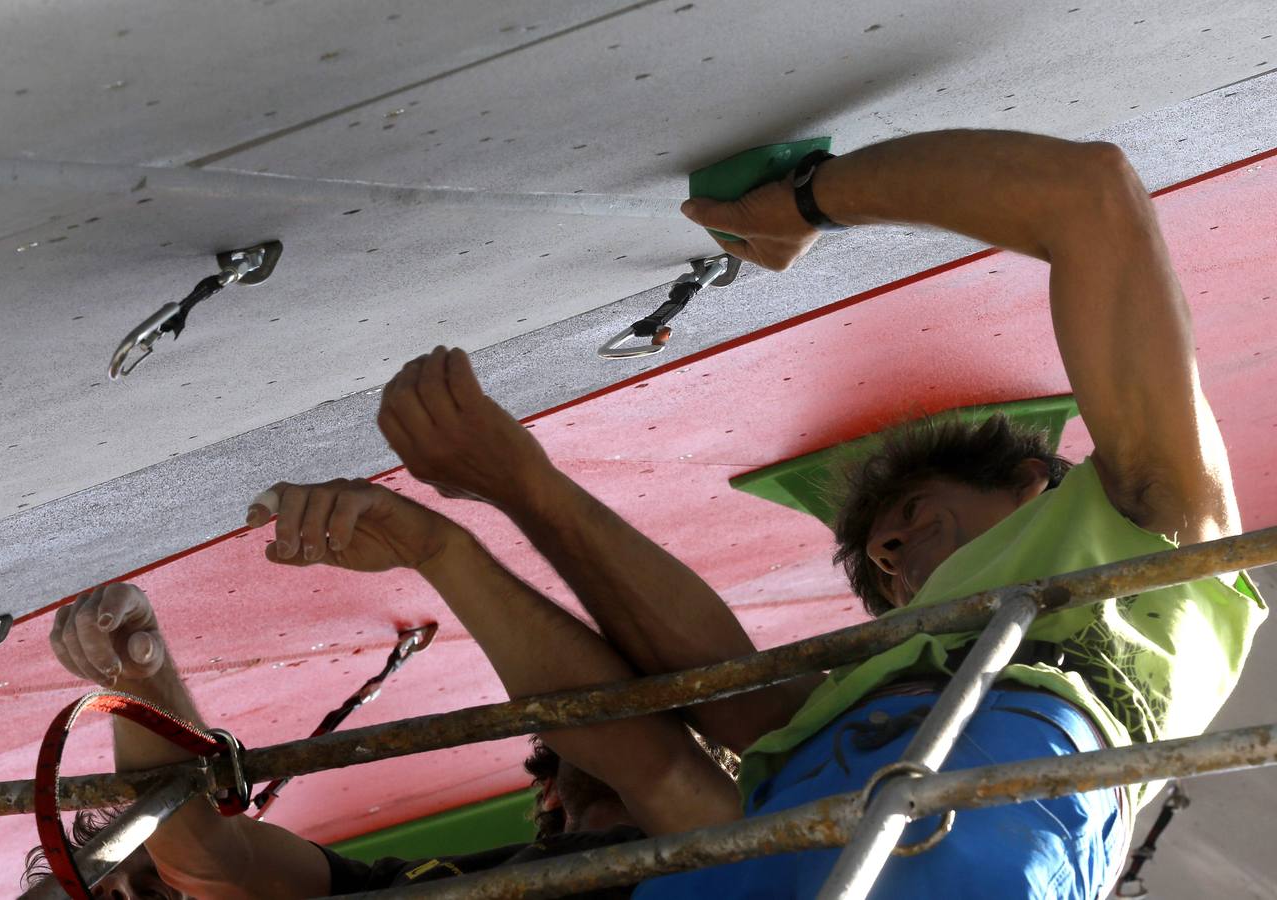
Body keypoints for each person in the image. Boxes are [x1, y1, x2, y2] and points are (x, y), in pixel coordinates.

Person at [373, 127, 1268, 899]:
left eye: (906, 533)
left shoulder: (1157, 524)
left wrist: (809, 200)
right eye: (901, 548)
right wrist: (522, 486)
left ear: (1038, 484)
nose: (890, 551)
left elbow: (1091, 194)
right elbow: (715, 686)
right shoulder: (862, 702)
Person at [28, 484, 740, 900]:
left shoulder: (740, 865)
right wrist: (140, 677)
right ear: (548, 792)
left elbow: (661, 769)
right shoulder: (450, 878)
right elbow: (215, 863)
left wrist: (447, 544)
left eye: (677, 721)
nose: (638, 721)